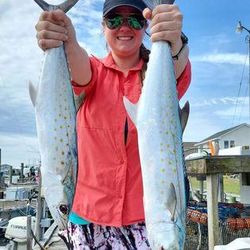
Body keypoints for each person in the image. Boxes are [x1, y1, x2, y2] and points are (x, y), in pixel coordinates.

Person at [35, 0, 191, 249]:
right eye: (114, 19)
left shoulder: (159, 75)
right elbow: (77, 66)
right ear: (102, 26)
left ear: (146, 25)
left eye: (136, 19)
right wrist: (64, 37)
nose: (124, 27)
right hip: (87, 220)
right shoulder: (93, 72)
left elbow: (178, 69)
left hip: (146, 222)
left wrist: (176, 43)